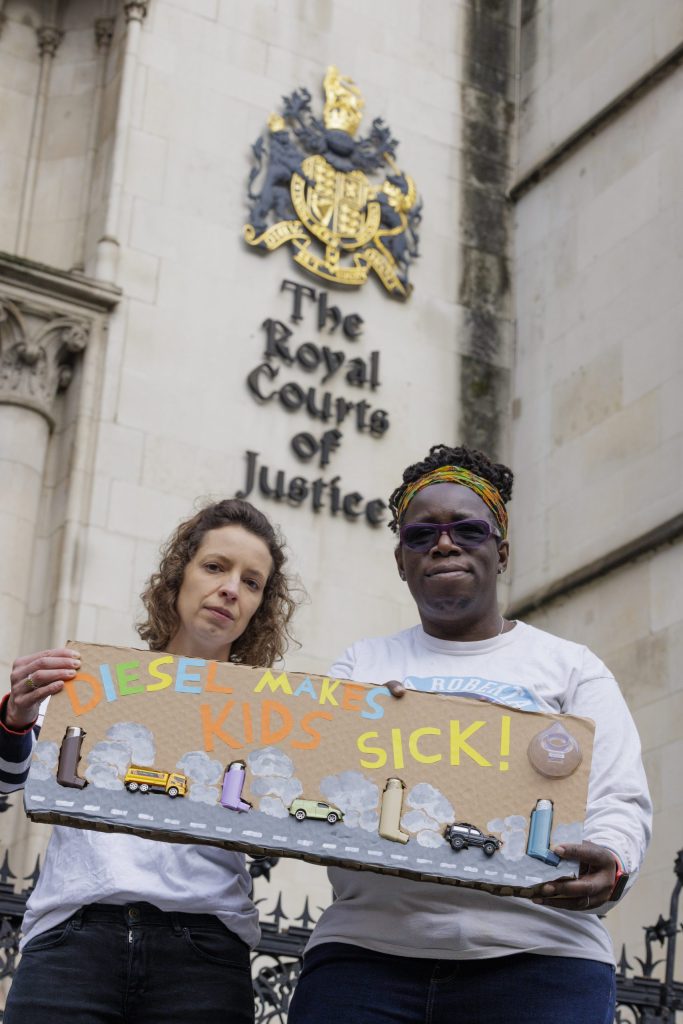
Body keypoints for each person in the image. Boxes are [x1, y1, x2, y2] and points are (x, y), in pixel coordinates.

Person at [288, 444, 652, 1024]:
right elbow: (314, 786)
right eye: (420, 534)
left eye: (469, 529)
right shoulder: (361, 666)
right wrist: (365, 730)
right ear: (401, 561)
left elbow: (618, 797)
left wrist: (612, 861)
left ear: (501, 551)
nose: (444, 543)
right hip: (366, 958)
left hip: (542, 957)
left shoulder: (571, 666)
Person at [1, 498, 298, 1024]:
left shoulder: (272, 715)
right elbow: (6, 786)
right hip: (72, 944)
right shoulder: (88, 684)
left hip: (201, 960)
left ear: (260, 607)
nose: (231, 588)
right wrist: (16, 719)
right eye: (214, 567)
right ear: (177, 576)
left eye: (252, 582)